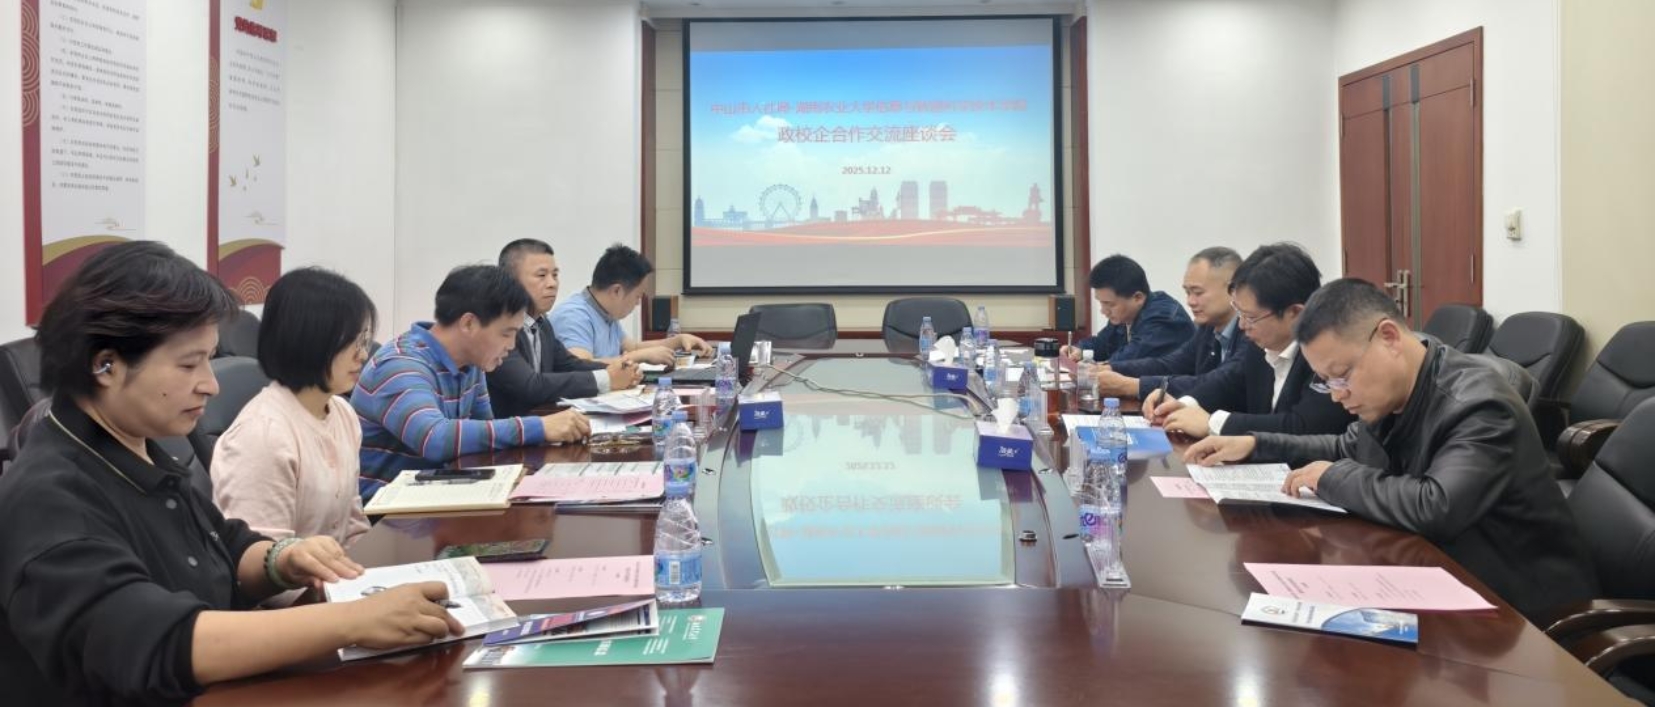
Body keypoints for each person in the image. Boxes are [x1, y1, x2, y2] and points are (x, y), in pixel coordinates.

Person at [0, 242, 463, 705]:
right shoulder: (49, 501)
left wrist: (281, 560)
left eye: (209, 358)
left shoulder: (138, 449)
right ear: (106, 365)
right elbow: (153, 641)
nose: (211, 383)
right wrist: (354, 621)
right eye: (189, 364)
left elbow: (222, 546)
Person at [1185, 279, 1597, 620]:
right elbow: (1346, 446)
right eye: (1327, 382)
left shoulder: (1479, 405)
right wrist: (1256, 444)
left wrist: (1333, 477)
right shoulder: (1395, 390)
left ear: (1388, 337)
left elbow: (1435, 506)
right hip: (1442, 572)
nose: (1337, 395)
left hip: (1521, 605)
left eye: (1342, 376)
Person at [353, 265, 590, 501]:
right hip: (385, 511)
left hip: (439, 494)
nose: (511, 346)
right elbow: (434, 438)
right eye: (506, 333)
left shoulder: (471, 363)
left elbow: (486, 432)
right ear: (468, 324)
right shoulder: (400, 364)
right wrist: (538, 427)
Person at [211, 268, 375, 553]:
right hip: (293, 581)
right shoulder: (263, 435)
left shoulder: (342, 413)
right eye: (352, 341)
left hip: (338, 575)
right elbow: (261, 557)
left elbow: (352, 524)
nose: (363, 354)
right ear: (311, 340)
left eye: (364, 340)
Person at [1145, 243, 1354, 439]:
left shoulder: (1328, 354)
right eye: (1239, 313)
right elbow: (1228, 383)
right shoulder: (1260, 345)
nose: (1242, 325)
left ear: (1295, 313)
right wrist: (1184, 404)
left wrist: (1212, 423)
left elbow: (1302, 427)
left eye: (1251, 317)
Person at [487, 239, 644, 417]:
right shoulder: (499, 329)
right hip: (511, 428)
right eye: (541, 275)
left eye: (555, 275)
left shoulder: (542, 323)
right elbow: (531, 385)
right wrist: (607, 378)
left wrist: (620, 371)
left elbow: (569, 364)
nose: (552, 283)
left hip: (544, 422)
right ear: (511, 281)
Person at [1093, 247, 1255, 400]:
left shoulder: (1252, 332)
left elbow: (1215, 383)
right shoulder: (1208, 328)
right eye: (1187, 292)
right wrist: (1111, 368)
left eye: (1198, 293)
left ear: (1233, 290)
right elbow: (1170, 365)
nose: (1190, 301)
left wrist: (1132, 386)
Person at [550, 244, 712, 365]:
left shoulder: (605, 312)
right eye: (637, 296)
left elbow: (633, 348)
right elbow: (580, 366)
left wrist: (678, 341)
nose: (638, 303)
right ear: (617, 291)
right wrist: (639, 357)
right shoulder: (573, 316)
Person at [1060, 254, 1193, 364]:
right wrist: (1080, 350)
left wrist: (1096, 367)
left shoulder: (1163, 319)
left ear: (1138, 297)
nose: (1103, 311)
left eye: (1109, 304)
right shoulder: (1124, 316)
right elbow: (1102, 343)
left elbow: (1127, 363)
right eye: (1101, 303)